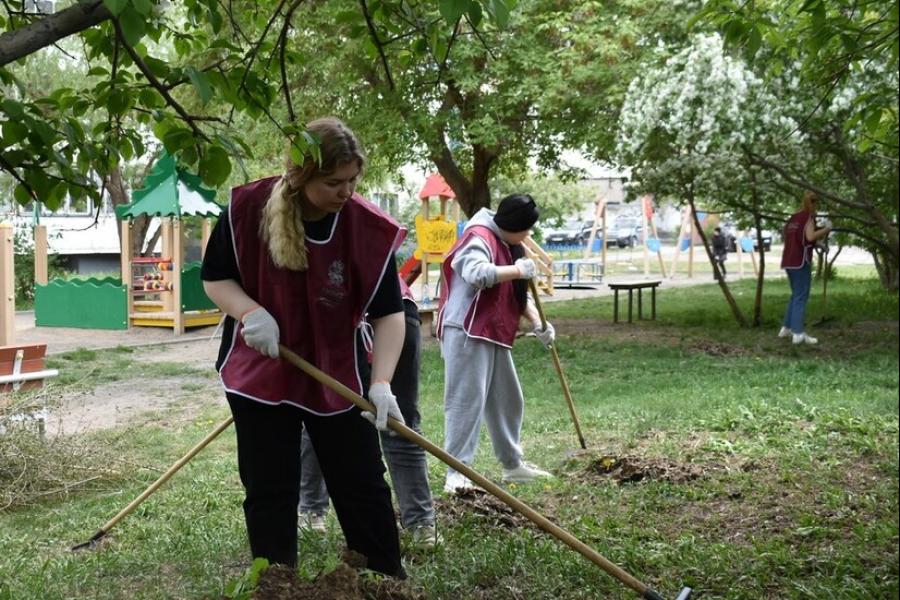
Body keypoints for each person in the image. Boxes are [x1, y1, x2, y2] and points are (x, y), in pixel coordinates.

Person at [200, 117, 407, 577]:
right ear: (300, 176)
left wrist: (382, 383)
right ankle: (274, 581)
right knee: (268, 485)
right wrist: (250, 313)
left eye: (353, 181)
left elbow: (389, 313)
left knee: (362, 483)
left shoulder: (366, 229)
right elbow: (215, 278)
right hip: (260, 369)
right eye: (334, 182)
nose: (346, 192)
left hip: (337, 372)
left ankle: (385, 581)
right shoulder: (245, 209)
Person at [298, 275, 439, 547]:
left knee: (398, 419)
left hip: (389, 313)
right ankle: (311, 511)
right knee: (322, 413)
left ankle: (421, 523)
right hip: (338, 315)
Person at [436, 193, 555, 494]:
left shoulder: (510, 243)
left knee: (507, 398)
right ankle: (457, 472)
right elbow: (477, 273)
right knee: (466, 401)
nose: (529, 235)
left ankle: (512, 464)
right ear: (512, 224)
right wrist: (518, 270)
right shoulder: (479, 236)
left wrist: (538, 322)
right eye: (526, 228)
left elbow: (516, 293)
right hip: (466, 329)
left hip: (493, 329)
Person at [779, 190, 831, 345]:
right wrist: (826, 229)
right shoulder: (808, 217)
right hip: (800, 262)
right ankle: (798, 333)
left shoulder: (794, 218)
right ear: (814, 203)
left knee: (795, 295)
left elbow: (798, 238)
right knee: (801, 296)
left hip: (789, 260)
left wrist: (818, 244)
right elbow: (809, 236)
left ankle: (786, 328)